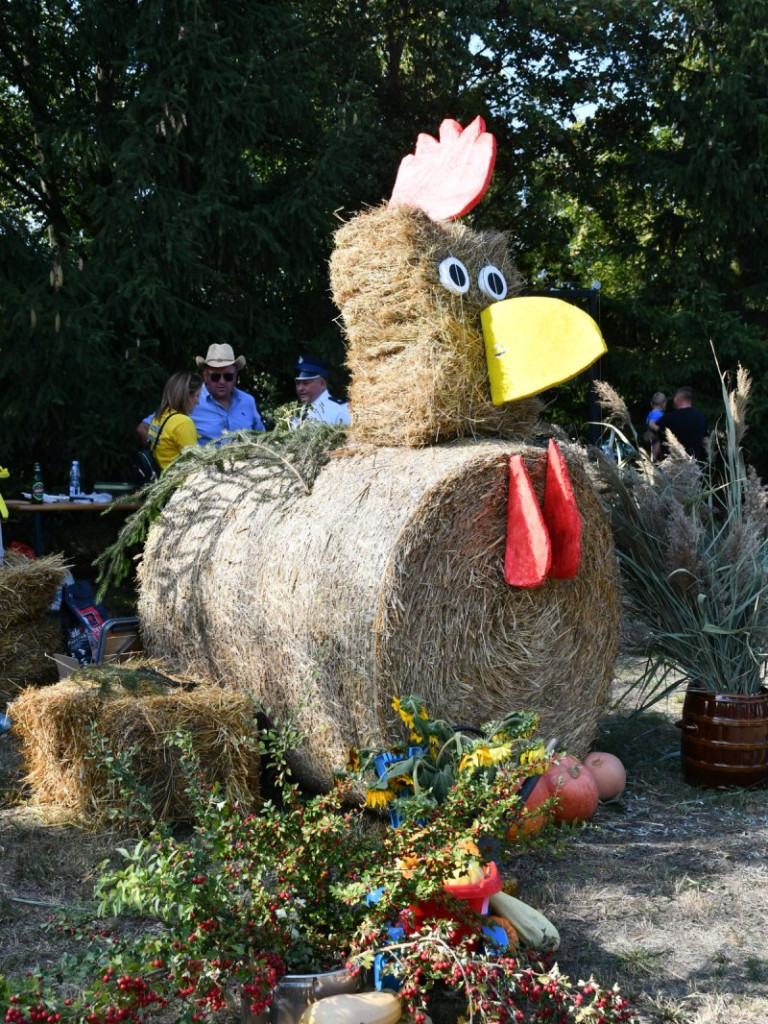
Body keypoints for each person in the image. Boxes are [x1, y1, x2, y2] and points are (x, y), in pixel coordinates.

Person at [137, 344, 265, 447]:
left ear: (235, 377)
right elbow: (144, 428)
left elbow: (263, 438)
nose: (222, 381)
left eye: (228, 376)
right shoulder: (190, 399)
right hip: (203, 475)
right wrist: (160, 460)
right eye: (215, 376)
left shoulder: (248, 401)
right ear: (206, 376)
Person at [146, 371, 202, 471]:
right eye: (197, 395)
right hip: (178, 481)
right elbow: (194, 464)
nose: (198, 402)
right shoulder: (183, 422)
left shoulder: (161, 415)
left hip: (162, 476)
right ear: (186, 395)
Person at [293, 355, 351, 426]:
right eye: (297, 383)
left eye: (306, 383)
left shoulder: (340, 410)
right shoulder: (296, 412)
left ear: (322, 384)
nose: (300, 388)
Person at [653, 385, 708, 460]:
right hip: (694, 466)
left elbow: (652, 436)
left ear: (677, 398)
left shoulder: (668, 418)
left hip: (672, 467)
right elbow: (705, 441)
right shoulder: (701, 418)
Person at [643, 391, 666, 461]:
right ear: (664, 404)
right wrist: (659, 429)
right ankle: (653, 460)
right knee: (657, 444)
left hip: (649, 434)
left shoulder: (652, 412)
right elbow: (651, 423)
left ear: (652, 403)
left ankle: (652, 460)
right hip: (653, 435)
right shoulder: (657, 413)